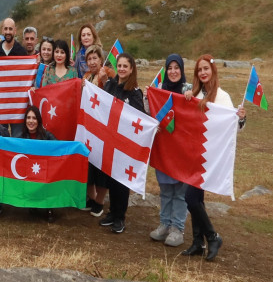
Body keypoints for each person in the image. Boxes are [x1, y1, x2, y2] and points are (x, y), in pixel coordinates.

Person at [180, 55, 246, 261]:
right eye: (199, 70)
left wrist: (241, 118)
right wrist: (188, 99)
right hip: (195, 153)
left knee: (190, 197)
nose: (203, 73)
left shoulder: (223, 97)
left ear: (213, 70)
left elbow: (232, 126)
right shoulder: (195, 94)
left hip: (211, 155)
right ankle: (198, 242)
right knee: (196, 198)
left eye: (206, 69)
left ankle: (212, 236)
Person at [97, 53, 145, 234]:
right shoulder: (110, 85)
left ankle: (120, 217)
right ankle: (112, 212)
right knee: (110, 177)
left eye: (126, 66)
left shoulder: (135, 93)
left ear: (132, 69)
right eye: (120, 65)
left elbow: (140, 118)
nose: (122, 69)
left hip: (125, 144)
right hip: (111, 140)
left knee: (121, 181)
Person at [150, 54, 191, 247]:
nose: (173, 71)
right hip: (164, 148)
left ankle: (177, 228)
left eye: (177, 68)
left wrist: (192, 99)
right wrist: (147, 97)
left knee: (180, 192)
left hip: (182, 150)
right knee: (165, 190)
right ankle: (164, 224)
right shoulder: (160, 91)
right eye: (170, 68)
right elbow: (151, 116)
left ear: (182, 70)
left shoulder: (189, 90)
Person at [81, 44, 114, 216]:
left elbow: (115, 97)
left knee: (102, 166)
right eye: (89, 59)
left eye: (95, 58)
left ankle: (100, 201)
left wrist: (106, 81)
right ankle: (91, 197)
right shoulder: (86, 77)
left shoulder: (109, 74)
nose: (92, 62)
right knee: (88, 163)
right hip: (89, 127)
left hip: (103, 127)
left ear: (101, 60)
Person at [16, 105, 56, 221]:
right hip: (28, 175)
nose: (31, 121)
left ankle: (49, 207)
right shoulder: (21, 137)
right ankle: (32, 202)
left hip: (44, 174)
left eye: (34, 118)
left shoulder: (47, 136)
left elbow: (59, 149)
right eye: (28, 118)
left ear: (38, 120)